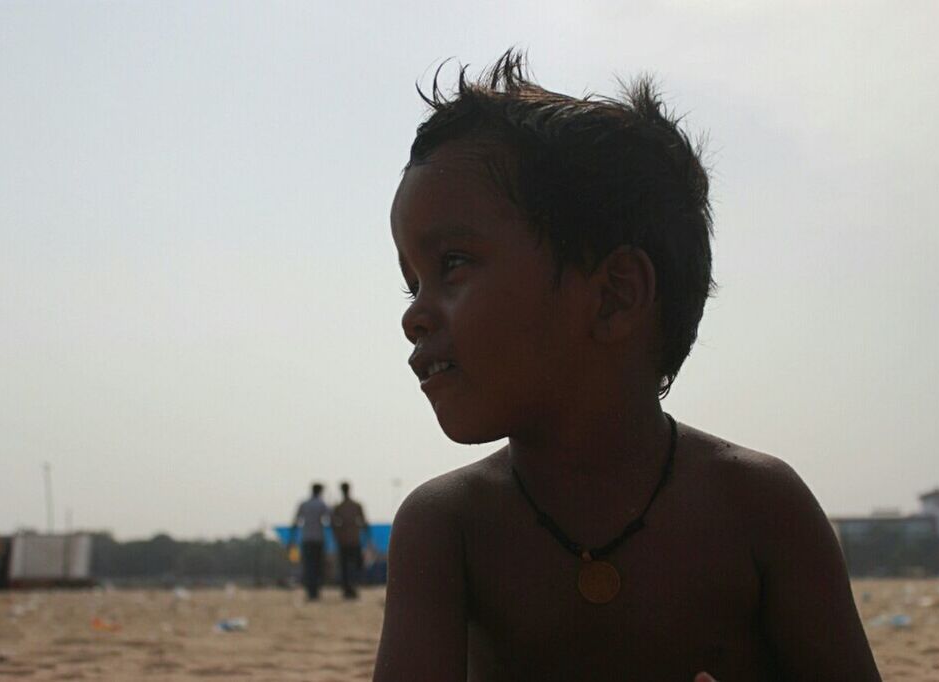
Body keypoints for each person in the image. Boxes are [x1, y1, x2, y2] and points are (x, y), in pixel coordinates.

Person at [374, 51, 880, 682]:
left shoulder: (761, 509)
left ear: (614, 295)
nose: (415, 316)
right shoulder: (446, 529)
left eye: (451, 265)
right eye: (412, 284)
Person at [289, 482, 329, 601]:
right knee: (317, 566)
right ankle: (315, 591)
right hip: (318, 538)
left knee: (308, 565)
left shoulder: (304, 504)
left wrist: (291, 539)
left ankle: (310, 591)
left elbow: (296, 522)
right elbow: (330, 518)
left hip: (306, 538)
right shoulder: (321, 504)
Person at [333, 481, 370, 599]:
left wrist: (338, 536)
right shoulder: (355, 506)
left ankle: (348, 588)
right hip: (353, 540)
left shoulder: (339, 507)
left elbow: (334, 525)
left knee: (347, 566)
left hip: (345, 541)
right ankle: (350, 588)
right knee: (353, 566)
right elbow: (364, 523)